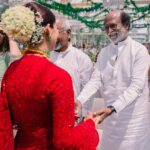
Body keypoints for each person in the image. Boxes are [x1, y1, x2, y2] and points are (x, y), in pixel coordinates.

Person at [0, 2, 101, 150]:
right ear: (48, 29)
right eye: (56, 29)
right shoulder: (58, 77)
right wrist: (90, 125)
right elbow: (65, 142)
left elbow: (7, 120)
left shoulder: (12, 70)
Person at [77, 10, 150, 150]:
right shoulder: (105, 52)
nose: (109, 31)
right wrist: (80, 100)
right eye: (106, 27)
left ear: (127, 25)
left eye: (113, 26)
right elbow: (95, 80)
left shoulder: (139, 51)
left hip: (134, 124)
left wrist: (112, 108)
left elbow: (136, 88)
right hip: (111, 122)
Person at [51, 18, 94, 117]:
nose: (53, 37)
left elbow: (88, 89)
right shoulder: (46, 57)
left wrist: (83, 115)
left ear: (68, 33)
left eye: (57, 32)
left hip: (73, 115)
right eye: (50, 33)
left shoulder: (81, 58)